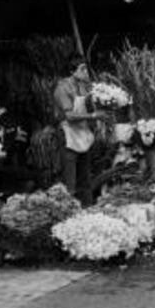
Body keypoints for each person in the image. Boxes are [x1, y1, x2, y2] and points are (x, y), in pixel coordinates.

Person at [53, 56, 107, 206]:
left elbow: (90, 105)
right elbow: (69, 116)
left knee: (85, 180)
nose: (86, 72)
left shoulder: (84, 87)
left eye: (86, 69)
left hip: (82, 135)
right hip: (68, 136)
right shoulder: (62, 88)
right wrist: (93, 116)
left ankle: (88, 209)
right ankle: (69, 211)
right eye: (82, 69)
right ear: (72, 71)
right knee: (70, 182)